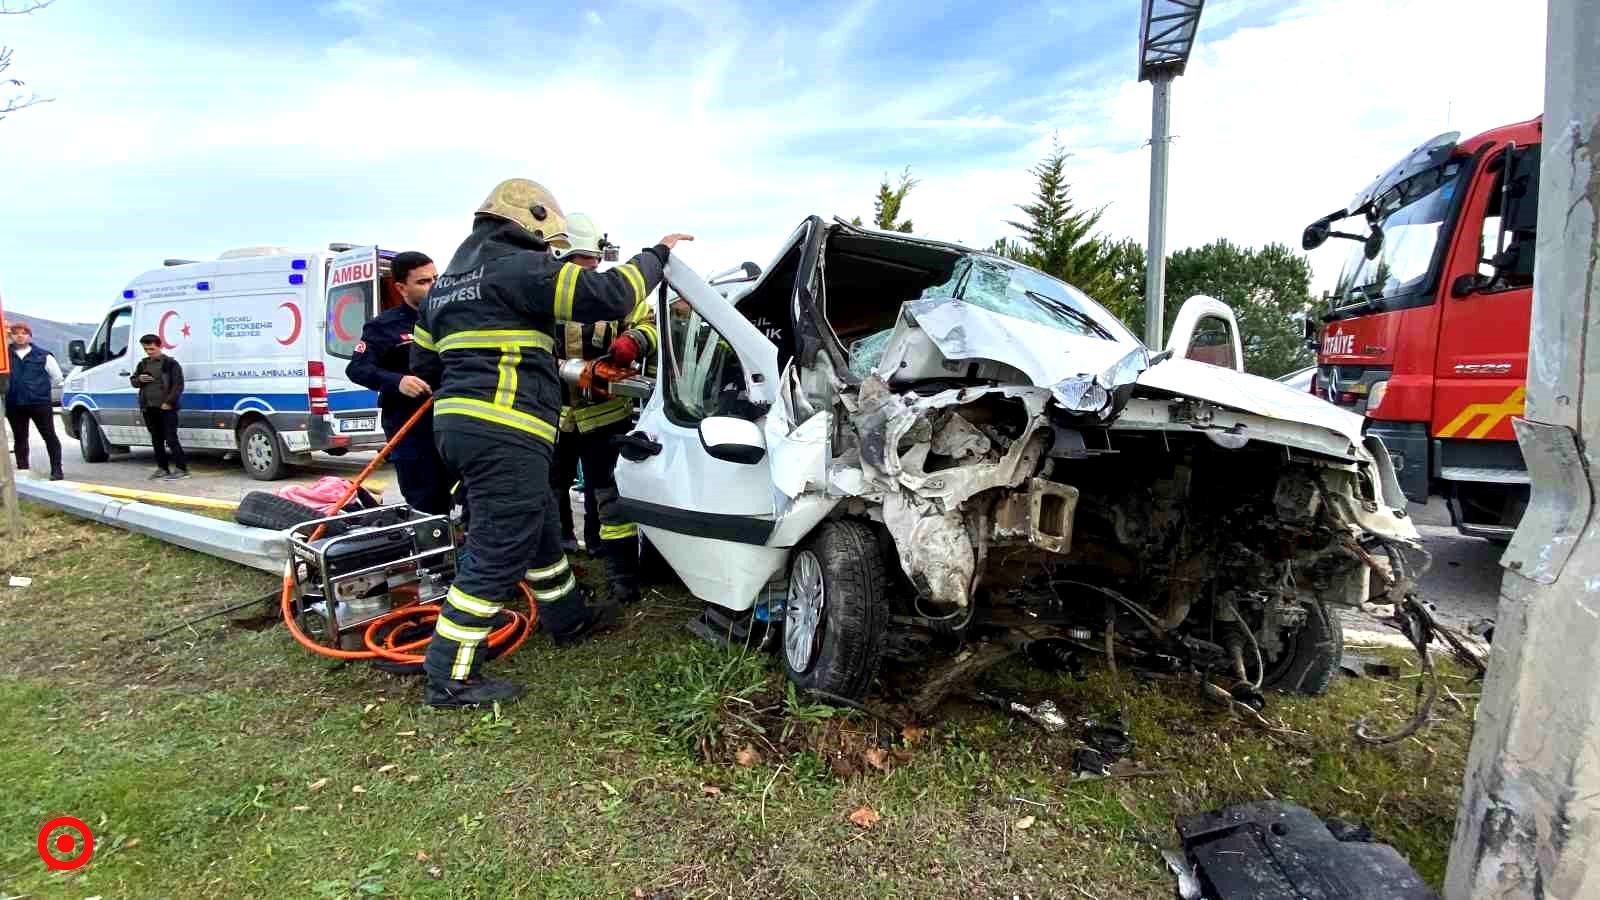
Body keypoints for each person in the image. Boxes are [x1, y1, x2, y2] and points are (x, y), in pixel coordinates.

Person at [410, 177, 691, 709]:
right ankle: (448, 675)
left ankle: (568, 619)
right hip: (506, 428)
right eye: (549, 244)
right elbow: (611, 294)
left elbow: (424, 363)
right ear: (530, 225)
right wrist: (657, 255)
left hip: (459, 426)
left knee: (538, 523)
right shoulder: (519, 267)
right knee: (499, 546)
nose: (550, 253)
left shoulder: (448, 285)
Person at [546, 213, 659, 605]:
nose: (590, 268)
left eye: (593, 259)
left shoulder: (615, 292)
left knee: (608, 493)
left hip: (605, 413)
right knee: (551, 487)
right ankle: (559, 551)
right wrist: (566, 369)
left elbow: (648, 325)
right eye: (581, 260)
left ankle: (619, 572)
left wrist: (633, 342)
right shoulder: (541, 294)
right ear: (561, 258)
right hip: (555, 416)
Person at [346, 251, 453, 514]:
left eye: (435, 279)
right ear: (401, 287)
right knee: (426, 500)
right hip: (411, 427)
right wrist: (397, 381)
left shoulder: (452, 319)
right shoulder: (384, 326)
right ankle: (431, 555)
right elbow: (357, 368)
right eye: (423, 282)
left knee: (470, 493)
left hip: (452, 421)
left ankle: (466, 548)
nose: (433, 286)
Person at [4, 323, 65, 481]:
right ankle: (23, 469)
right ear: (11, 336)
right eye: (16, 333)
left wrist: (40, 390)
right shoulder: (5, 355)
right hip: (14, 403)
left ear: (29, 336)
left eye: (24, 333)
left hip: (39, 403)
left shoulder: (43, 355)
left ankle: (57, 470)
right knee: (20, 438)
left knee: (49, 435)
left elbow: (57, 377)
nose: (20, 336)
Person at [131, 334, 189, 479]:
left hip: (167, 408)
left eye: (151, 349)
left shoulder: (170, 364)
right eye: (146, 349)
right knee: (156, 439)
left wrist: (168, 402)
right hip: (148, 407)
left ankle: (182, 469)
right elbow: (134, 381)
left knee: (171, 438)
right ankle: (162, 468)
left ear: (159, 346)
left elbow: (178, 385)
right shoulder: (143, 364)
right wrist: (139, 379)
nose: (149, 352)